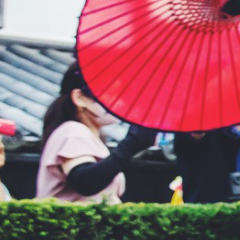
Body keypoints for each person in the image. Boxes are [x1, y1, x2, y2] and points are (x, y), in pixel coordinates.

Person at [37, 63, 157, 204]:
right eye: (110, 93)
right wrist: (131, 144)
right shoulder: (73, 131)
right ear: (79, 98)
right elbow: (84, 181)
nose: (118, 102)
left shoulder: (86, 135)